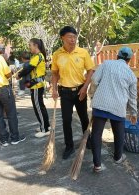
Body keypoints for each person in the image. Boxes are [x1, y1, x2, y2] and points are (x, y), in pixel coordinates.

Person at [91, 47, 138, 172]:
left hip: (100, 103)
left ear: (117, 56)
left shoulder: (106, 64)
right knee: (119, 133)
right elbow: (133, 97)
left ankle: (97, 165)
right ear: (129, 60)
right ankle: (118, 157)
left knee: (96, 134)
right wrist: (133, 113)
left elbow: (94, 80)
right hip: (118, 107)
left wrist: (94, 95)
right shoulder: (131, 75)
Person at [52, 26, 95, 159]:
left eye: (75, 37)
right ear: (62, 38)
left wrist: (85, 87)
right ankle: (69, 146)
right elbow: (54, 73)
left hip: (80, 90)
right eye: (70, 37)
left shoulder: (82, 52)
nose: (73, 40)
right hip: (64, 91)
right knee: (66, 120)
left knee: (84, 117)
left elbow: (90, 71)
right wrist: (54, 89)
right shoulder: (57, 54)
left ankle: (87, 140)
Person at [16, 38, 51, 138]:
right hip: (36, 85)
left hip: (36, 86)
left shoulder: (38, 56)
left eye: (30, 45)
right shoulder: (37, 56)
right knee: (40, 106)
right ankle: (45, 126)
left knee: (38, 107)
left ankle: (44, 129)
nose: (29, 47)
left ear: (36, 45)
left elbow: (28, 68)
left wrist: (19, 75)